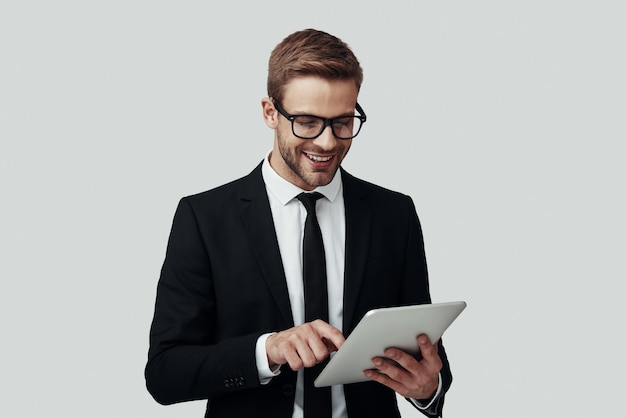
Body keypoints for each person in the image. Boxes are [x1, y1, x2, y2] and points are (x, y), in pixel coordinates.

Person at [145, 28, 453, 418]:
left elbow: (425, 352)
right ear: (270, 113)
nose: (327, 142)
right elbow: (165, 373)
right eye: (307, 122)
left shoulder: (394, 214)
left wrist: (428, 389)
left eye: (343, 121)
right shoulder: (205, 218)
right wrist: (267, 350)